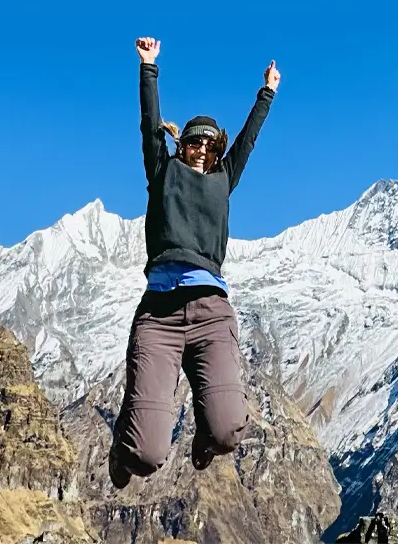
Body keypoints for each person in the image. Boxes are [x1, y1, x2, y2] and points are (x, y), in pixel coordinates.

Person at [109, 36, 279, 488]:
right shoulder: (163, 172)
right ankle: (122, 443)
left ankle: (206, 434)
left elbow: (248, 140)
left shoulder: (224, 178)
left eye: (209, 143)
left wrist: (267, 93)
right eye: (193, 142)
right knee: (146, 457)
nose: (201, 148)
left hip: (211, 313)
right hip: (160, 315)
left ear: (217, 149)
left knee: (227, 433)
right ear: (181, 145)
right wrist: (149, 67)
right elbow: (149, 126)